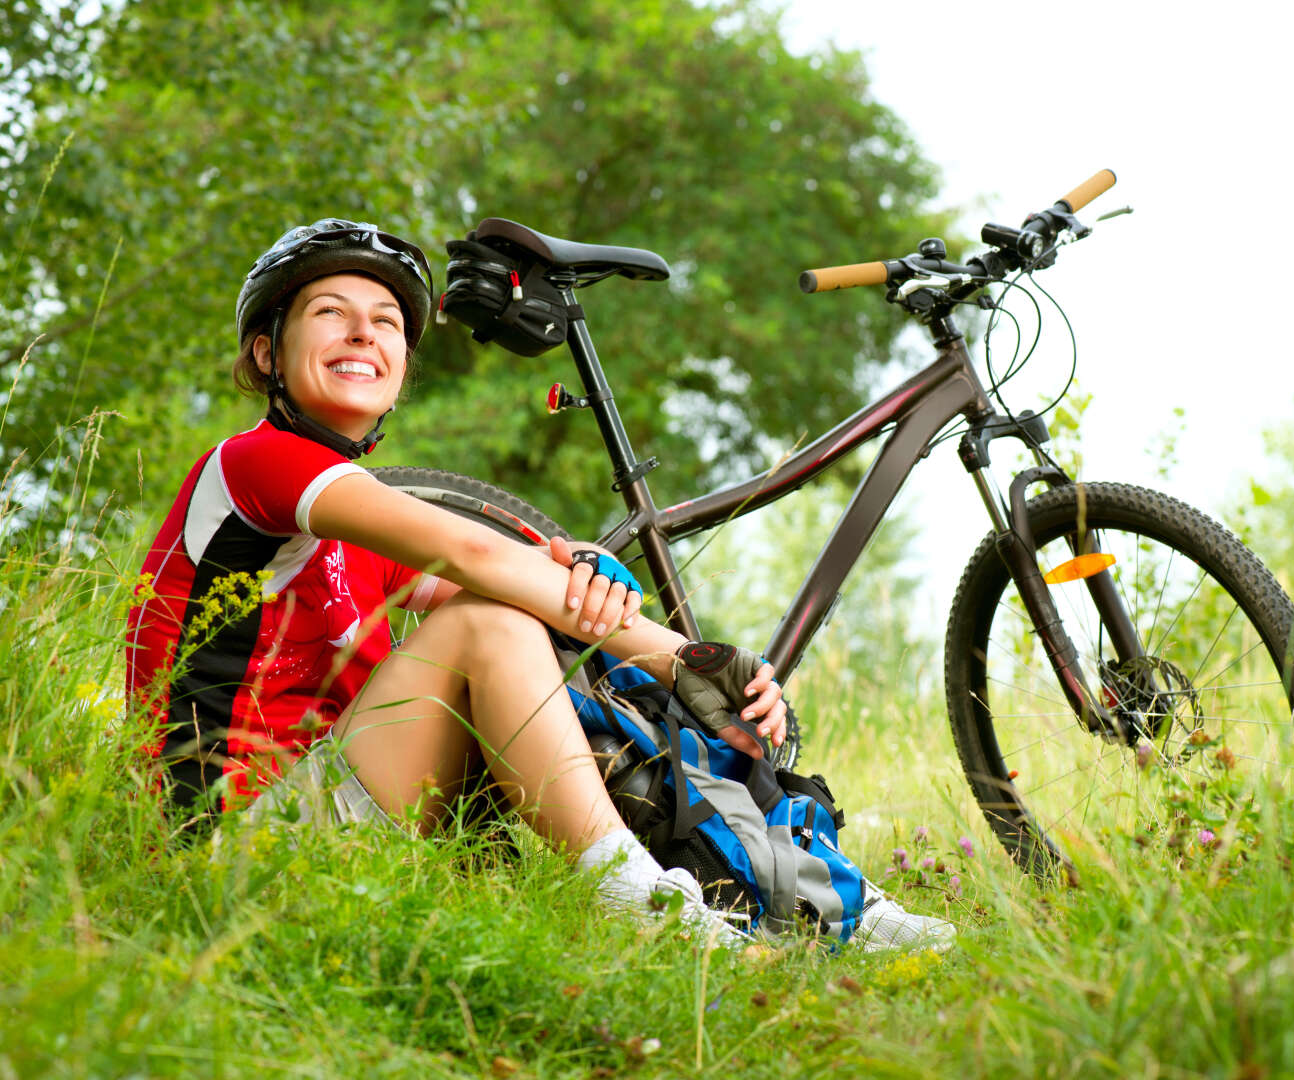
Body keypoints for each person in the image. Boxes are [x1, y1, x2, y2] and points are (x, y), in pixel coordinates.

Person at [125, 218, 953, 951]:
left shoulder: (354, 527)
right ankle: (640, 901)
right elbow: (482, 569)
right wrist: (688, 657)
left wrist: (705, 666)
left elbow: (538, 613)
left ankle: (818, 895)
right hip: (230, 843)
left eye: (385, 324)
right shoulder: (255, 463)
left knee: (593, 668)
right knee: (498, 624)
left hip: (335, 824)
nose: (362, 335)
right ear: (268, 352)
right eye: (329, 314)